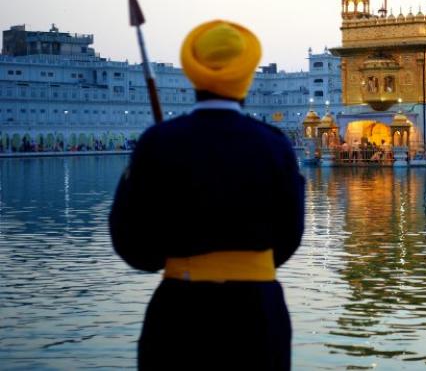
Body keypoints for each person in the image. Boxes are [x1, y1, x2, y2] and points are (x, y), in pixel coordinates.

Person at [109, 20, 304, 370]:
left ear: (192, 73)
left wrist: (175, 256)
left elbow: (132, 244)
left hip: (180, 313)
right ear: (246, 76)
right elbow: (288, 239)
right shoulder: (275, 145)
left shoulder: (159, 142)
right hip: (258, 315)